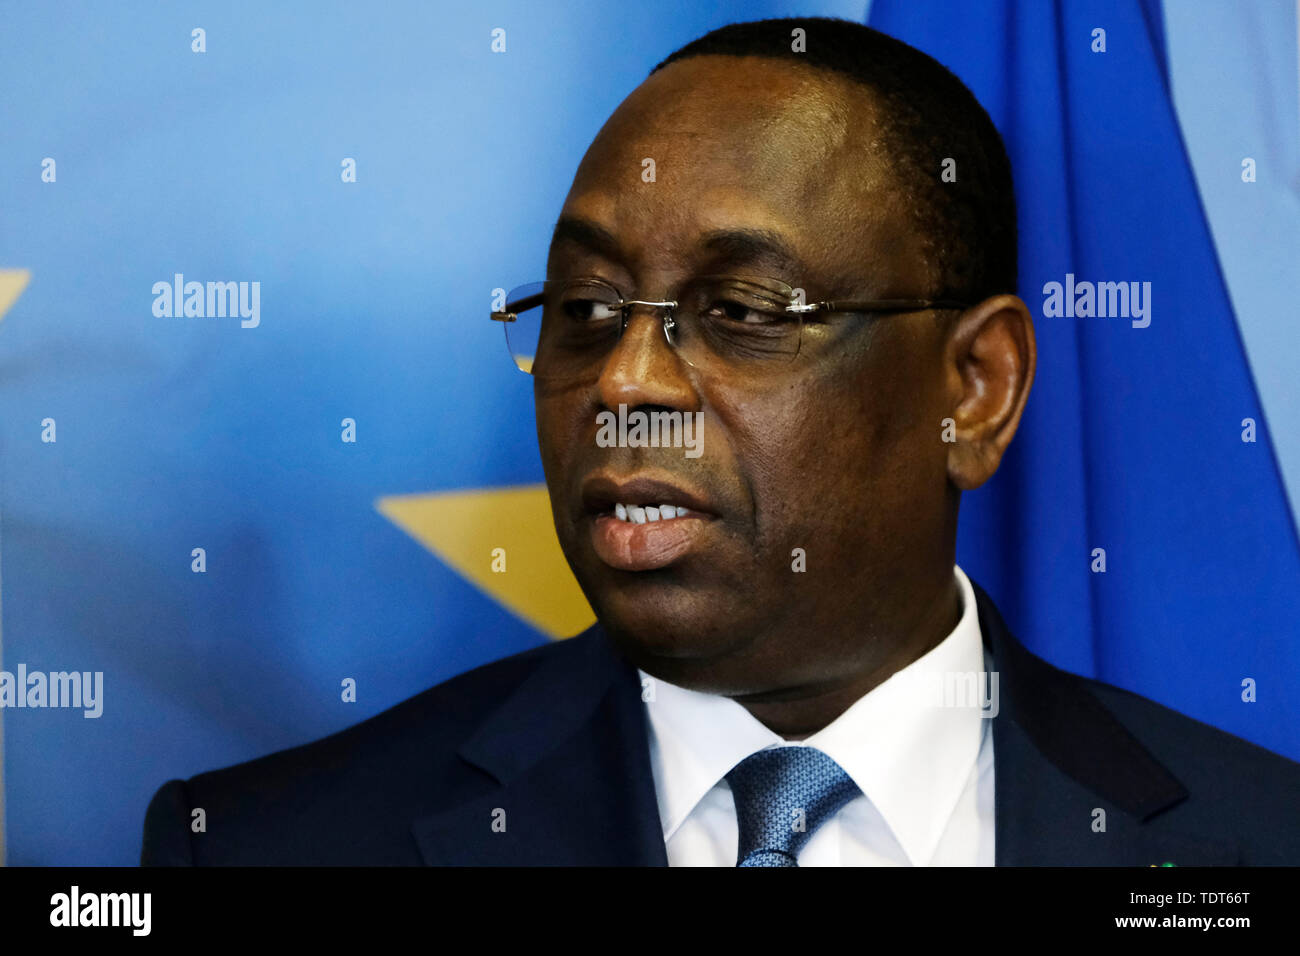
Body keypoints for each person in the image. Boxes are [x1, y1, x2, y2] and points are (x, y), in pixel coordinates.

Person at [141, 17, 1300, 866]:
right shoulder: (267, 846)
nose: (626, 382)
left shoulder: (1249, 845)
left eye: (742, 313)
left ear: (976, 389)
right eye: (586, 311)